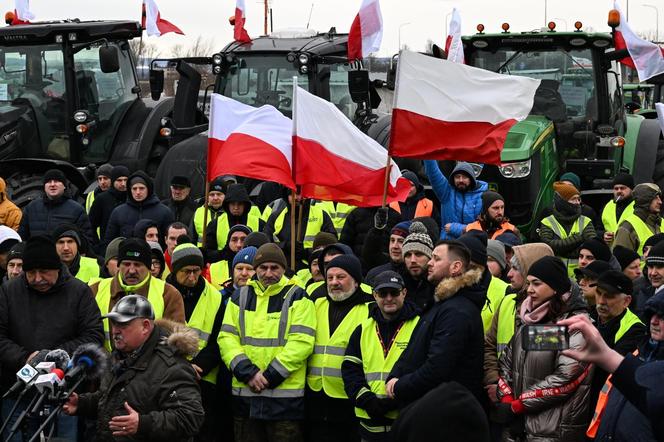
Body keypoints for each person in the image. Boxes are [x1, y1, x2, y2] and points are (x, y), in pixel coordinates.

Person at [0, 235, 104, 441]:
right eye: (31, 273)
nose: (38, 278)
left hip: (62, 393)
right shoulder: (9, 291)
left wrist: (55, 356)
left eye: (44, 272)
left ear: (57, 268)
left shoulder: (78, 291)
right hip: (16, 389)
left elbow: (94, 336)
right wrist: (26, 358)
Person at [63, 295, 205, 441]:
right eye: (113, 323)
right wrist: (82, 404)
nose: (115, 331)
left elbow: (190, 417)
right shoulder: (118, 356)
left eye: (123, 325)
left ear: (145, 326)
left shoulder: (171, 366)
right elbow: (112, 399)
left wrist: (143, 424)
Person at [219, 243, 315, 442]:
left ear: (283, 268)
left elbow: (302, 342)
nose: (268, 273)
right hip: (246, 400)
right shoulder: (240, 296)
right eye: (263, 267)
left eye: (274, 268)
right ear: (256, 269)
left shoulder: (298, 297)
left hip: (285, 404)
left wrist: (270, 376)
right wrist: (248, 372)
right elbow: (226, 338)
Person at [495, 256, 592, 442]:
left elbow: (566, 377)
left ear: (555, 287)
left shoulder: (574, 324)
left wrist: (519, 405)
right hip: (519, 427)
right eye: (529, 283)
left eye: (537, 284)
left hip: (552, 431)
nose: (529, 290)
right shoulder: (531, 319)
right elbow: (507, 361)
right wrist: (507, 400)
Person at [386, 240, 485, 404]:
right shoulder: (440, 303)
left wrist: (400, 386)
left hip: (446, 411)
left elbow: (438, 368)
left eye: (437, 259)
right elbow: (415, 350)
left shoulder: (457, 311)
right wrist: (395, 375)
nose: (430, 263)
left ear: (455, 267)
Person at [559, 295, 664, 440]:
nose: (654, 321)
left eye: (662, 316)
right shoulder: (640, 352)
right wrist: (605, 356)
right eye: (651, 314)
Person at [341, 271, 419, 441]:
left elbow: (425, 370)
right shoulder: (363, 329)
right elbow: (350, 372)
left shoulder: (420, 326)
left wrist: (397, 399)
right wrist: (367, 400)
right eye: (383, 293)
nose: (389, 298)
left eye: (394, 292)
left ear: (404, 293)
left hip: (407, 420)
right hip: (370, 422)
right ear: (374, 295)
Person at [306, 254, 372, 442]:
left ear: (356, 281)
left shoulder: (370, 309)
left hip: (349, 398)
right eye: (330, 277)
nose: (334, 282)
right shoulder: (316, 304)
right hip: (316, 396)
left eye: (341, 277)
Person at [164, 243, 224, 442]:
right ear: (175, 270)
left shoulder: (215, 297)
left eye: (196, 271)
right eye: (186, 272)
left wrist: (197, 366)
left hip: (203, 379)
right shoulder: (160, 293)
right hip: (167, 377)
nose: (192, 277)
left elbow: (220, 338)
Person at [483, 243, 554, 406]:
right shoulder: (508, 302)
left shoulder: (558, 314)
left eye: (516, 268)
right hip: (502, 400)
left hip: (538, 406)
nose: (509, 274)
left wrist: (521, 397)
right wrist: (495, 383)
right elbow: (489, 345)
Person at [90, 238, 185, 350]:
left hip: (152, 366)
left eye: (138, 264)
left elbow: (175, 343)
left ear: (149, 268)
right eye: (126, 264)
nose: (131, 270)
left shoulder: (168, 294)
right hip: (106, 364)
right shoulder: (96, 289)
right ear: (119, 266)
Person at [587, 270, 646, 409]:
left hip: (605, 405)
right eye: (598, 293)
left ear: (626, 301)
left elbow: (605, 371)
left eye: (609, 296)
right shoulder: (589, 316)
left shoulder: (636, 330)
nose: (601, 301)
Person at [18, 169, 94, 244]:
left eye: (57, 181)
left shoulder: (77, 210)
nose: (52, 184)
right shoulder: (31, 208)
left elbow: (87, 241)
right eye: (49, 182)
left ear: (64, 186)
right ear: (44, 186)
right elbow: (22, 239)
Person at [263, 191, 335, 270]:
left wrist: (306, 252)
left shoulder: (321, 215)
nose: (295, 198)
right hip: (283, 270)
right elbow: (265, 243)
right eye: (291, 194)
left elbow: (332, 245)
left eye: (298, 193)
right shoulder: (275, 216)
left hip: (312, 270)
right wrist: (285, 245)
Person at [539, 180, 596, 276]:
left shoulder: (586, 221)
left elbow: (593, 247)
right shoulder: (547, 222)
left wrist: (562, 251)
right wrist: (578, 239)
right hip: (556, 275)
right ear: (562, 201)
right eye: (573, 199)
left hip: (581, 277)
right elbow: (549, 247)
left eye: (578, 199)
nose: (577, 203)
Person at [104, 171, 174, 245]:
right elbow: (109, 242)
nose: (138, 192)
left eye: (141, 188)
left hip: (154, 255)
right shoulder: (118, 212)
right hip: (126, 255)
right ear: (130, 190)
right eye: (134, 189)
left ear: (148, 189)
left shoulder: (164, 212)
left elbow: (169, 241)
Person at [424, 160, 488, 239]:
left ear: (471, 178)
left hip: (473, 244)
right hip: (448, 245)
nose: (461, 180)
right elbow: (432, 172)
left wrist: (455, 228)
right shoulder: (446, 192)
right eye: (457, 177)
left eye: (464, 177)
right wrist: (427, 155)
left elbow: (484, 225)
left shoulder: (483, 195)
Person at [204, 183, 264, 256]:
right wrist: (225, 253)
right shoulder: (214, 224)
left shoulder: (259, 223)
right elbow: (208, 253)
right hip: (223, 266)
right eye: (232, 204)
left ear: (245, 205)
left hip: (250, 266)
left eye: (239, 204)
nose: (236, 207)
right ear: (227, 204)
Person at [614, 183, 664, 255]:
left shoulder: (662, 222)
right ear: (645, 199)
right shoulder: (627, 227)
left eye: (659, 197)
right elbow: (621, 261)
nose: (660, 202)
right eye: (656, 198)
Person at [399, 221, 436, 310]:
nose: (413, 260)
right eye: (408, 255)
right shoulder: (397, 285)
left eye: (418, 254)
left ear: (430, 257)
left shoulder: (439, 286)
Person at [89, 165, 129, 246]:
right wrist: (98, 246)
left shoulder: (133, 197)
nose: (123, 184)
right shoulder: (102, 199)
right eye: (119, 180)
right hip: (108, 248)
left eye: (125, 180)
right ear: (113, 181)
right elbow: (90, 226)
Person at [364, 221, 411, 285]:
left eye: (401, 241)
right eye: (392, 240)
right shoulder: (374, 275)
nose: (395, 246)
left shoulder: (417, 276)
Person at [191, 176, 230, 247]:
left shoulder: (231, 212)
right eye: (212, 194)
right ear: (207, 197)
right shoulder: (199, 212)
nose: (215, 198)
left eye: (219, 194)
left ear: (225, 196)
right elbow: (192, 237)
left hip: (224, 256)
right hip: (203, 255)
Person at [209, 225, 251, 289]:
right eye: (234, 240)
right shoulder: (212, 269)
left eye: (243, 240)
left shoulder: (259, 268)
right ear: (228, 242)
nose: (239, 245)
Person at [602, 173, 635, 245]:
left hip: (629, 251)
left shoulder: (637, 206)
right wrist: (603, 235)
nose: (619, 191)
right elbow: (598, 227)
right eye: (616, 188)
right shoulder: (607, 206)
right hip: (610, 252)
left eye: (622, 188)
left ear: (631, 189)